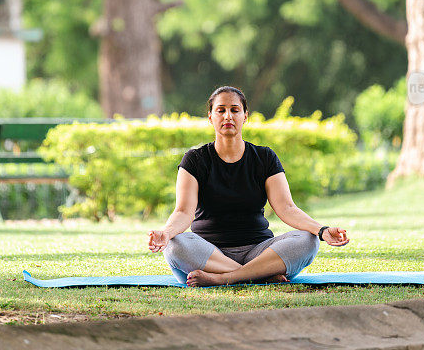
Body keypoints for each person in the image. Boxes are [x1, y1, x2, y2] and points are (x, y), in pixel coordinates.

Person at [148, 86, 349, 287]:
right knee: (175, 244)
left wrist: (321, 230)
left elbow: (287, 208)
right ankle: (260, 275)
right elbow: (183, 212)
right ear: (210, 117)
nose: (228, 116)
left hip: (258, 251)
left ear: (245, 116)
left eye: (235, 110)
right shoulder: (195, 160)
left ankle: (224, 278)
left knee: (308, 240)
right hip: (209, 254)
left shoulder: (264, 158)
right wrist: (166, 233)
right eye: (221, 110)